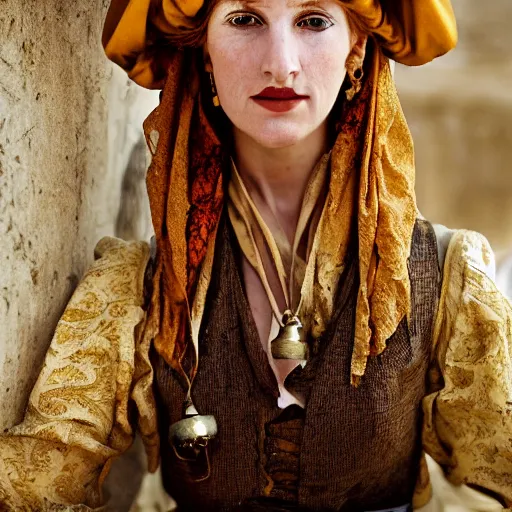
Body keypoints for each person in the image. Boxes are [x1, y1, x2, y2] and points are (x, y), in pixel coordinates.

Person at [0, 1, 511, 510]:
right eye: (245, 20)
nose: (280, 62)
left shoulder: (446, 277)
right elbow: (35, 489)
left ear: (356, 47)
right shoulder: (139, 286)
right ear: (204, 51)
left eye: (313, 21)